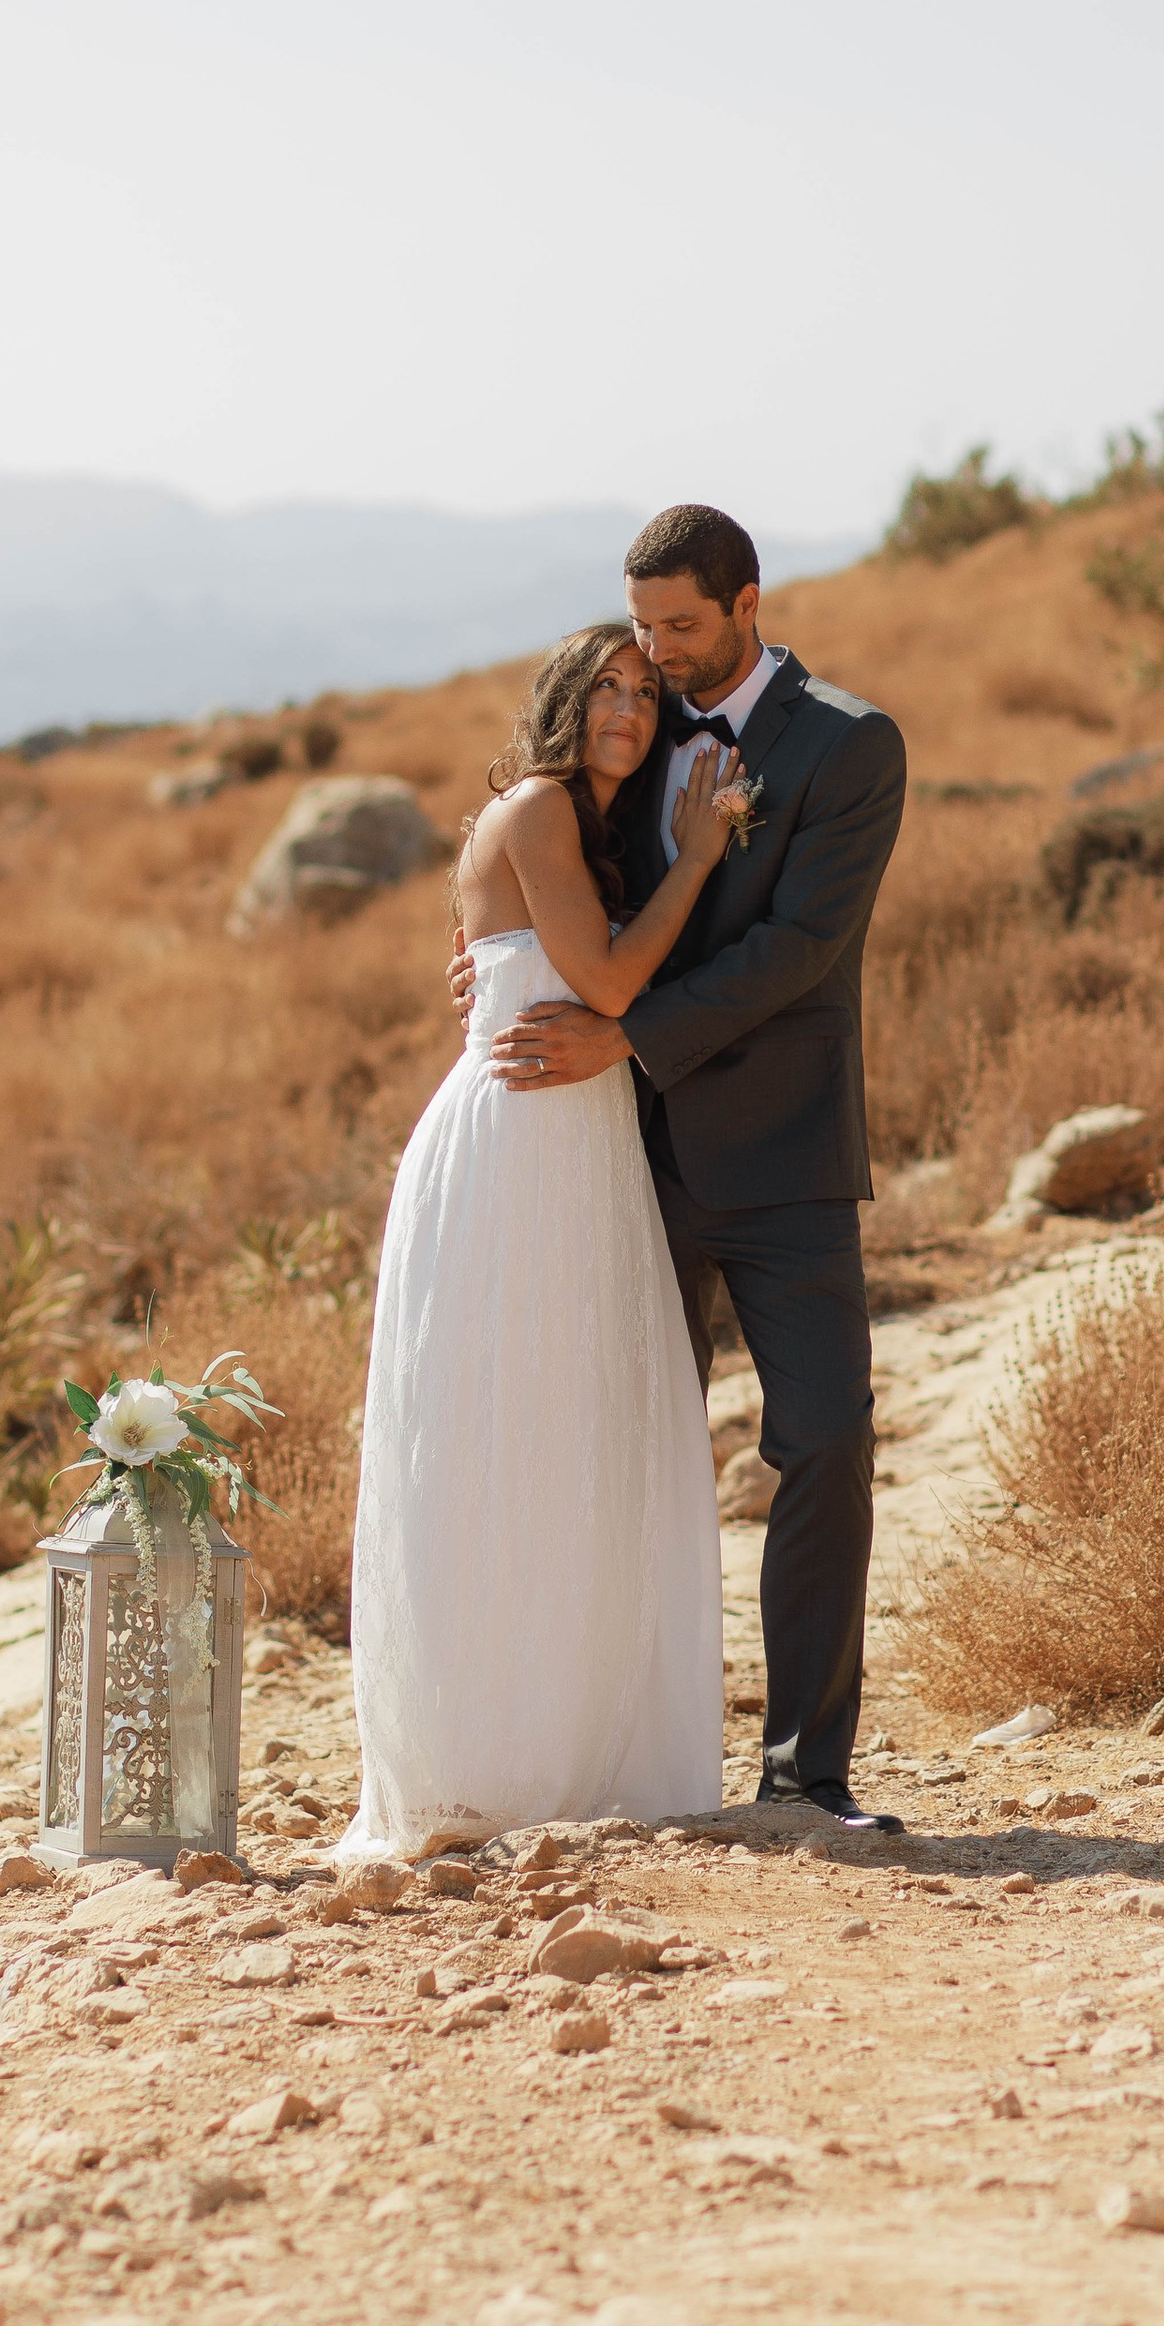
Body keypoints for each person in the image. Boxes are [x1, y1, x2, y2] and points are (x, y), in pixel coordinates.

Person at [481, 503, 909, 1832]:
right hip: (624, 1163)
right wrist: (501, 959)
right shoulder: (636, 721)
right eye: (645, 627)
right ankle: (612, 1765)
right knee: (621, 1459)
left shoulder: (847, 744)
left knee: (827, 1440)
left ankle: (803, 1775)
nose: (659, 655)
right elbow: (558, 861)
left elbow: (799, 949)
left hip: (783, 1158)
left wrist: (624, 1034)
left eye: (683, 625)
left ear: (748, 603)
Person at [337, 624, 742, 1854]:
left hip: (578, 1151)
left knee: (569, 1436)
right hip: (517, 1149)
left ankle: (566, 1739)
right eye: (604, 686)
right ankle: (488, 1761)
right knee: (499, 1440)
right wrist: (702, 851)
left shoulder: (582, 832)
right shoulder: (537, 810)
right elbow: (613, 986)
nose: (626, 706)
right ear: (566, 702)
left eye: (643, 690)